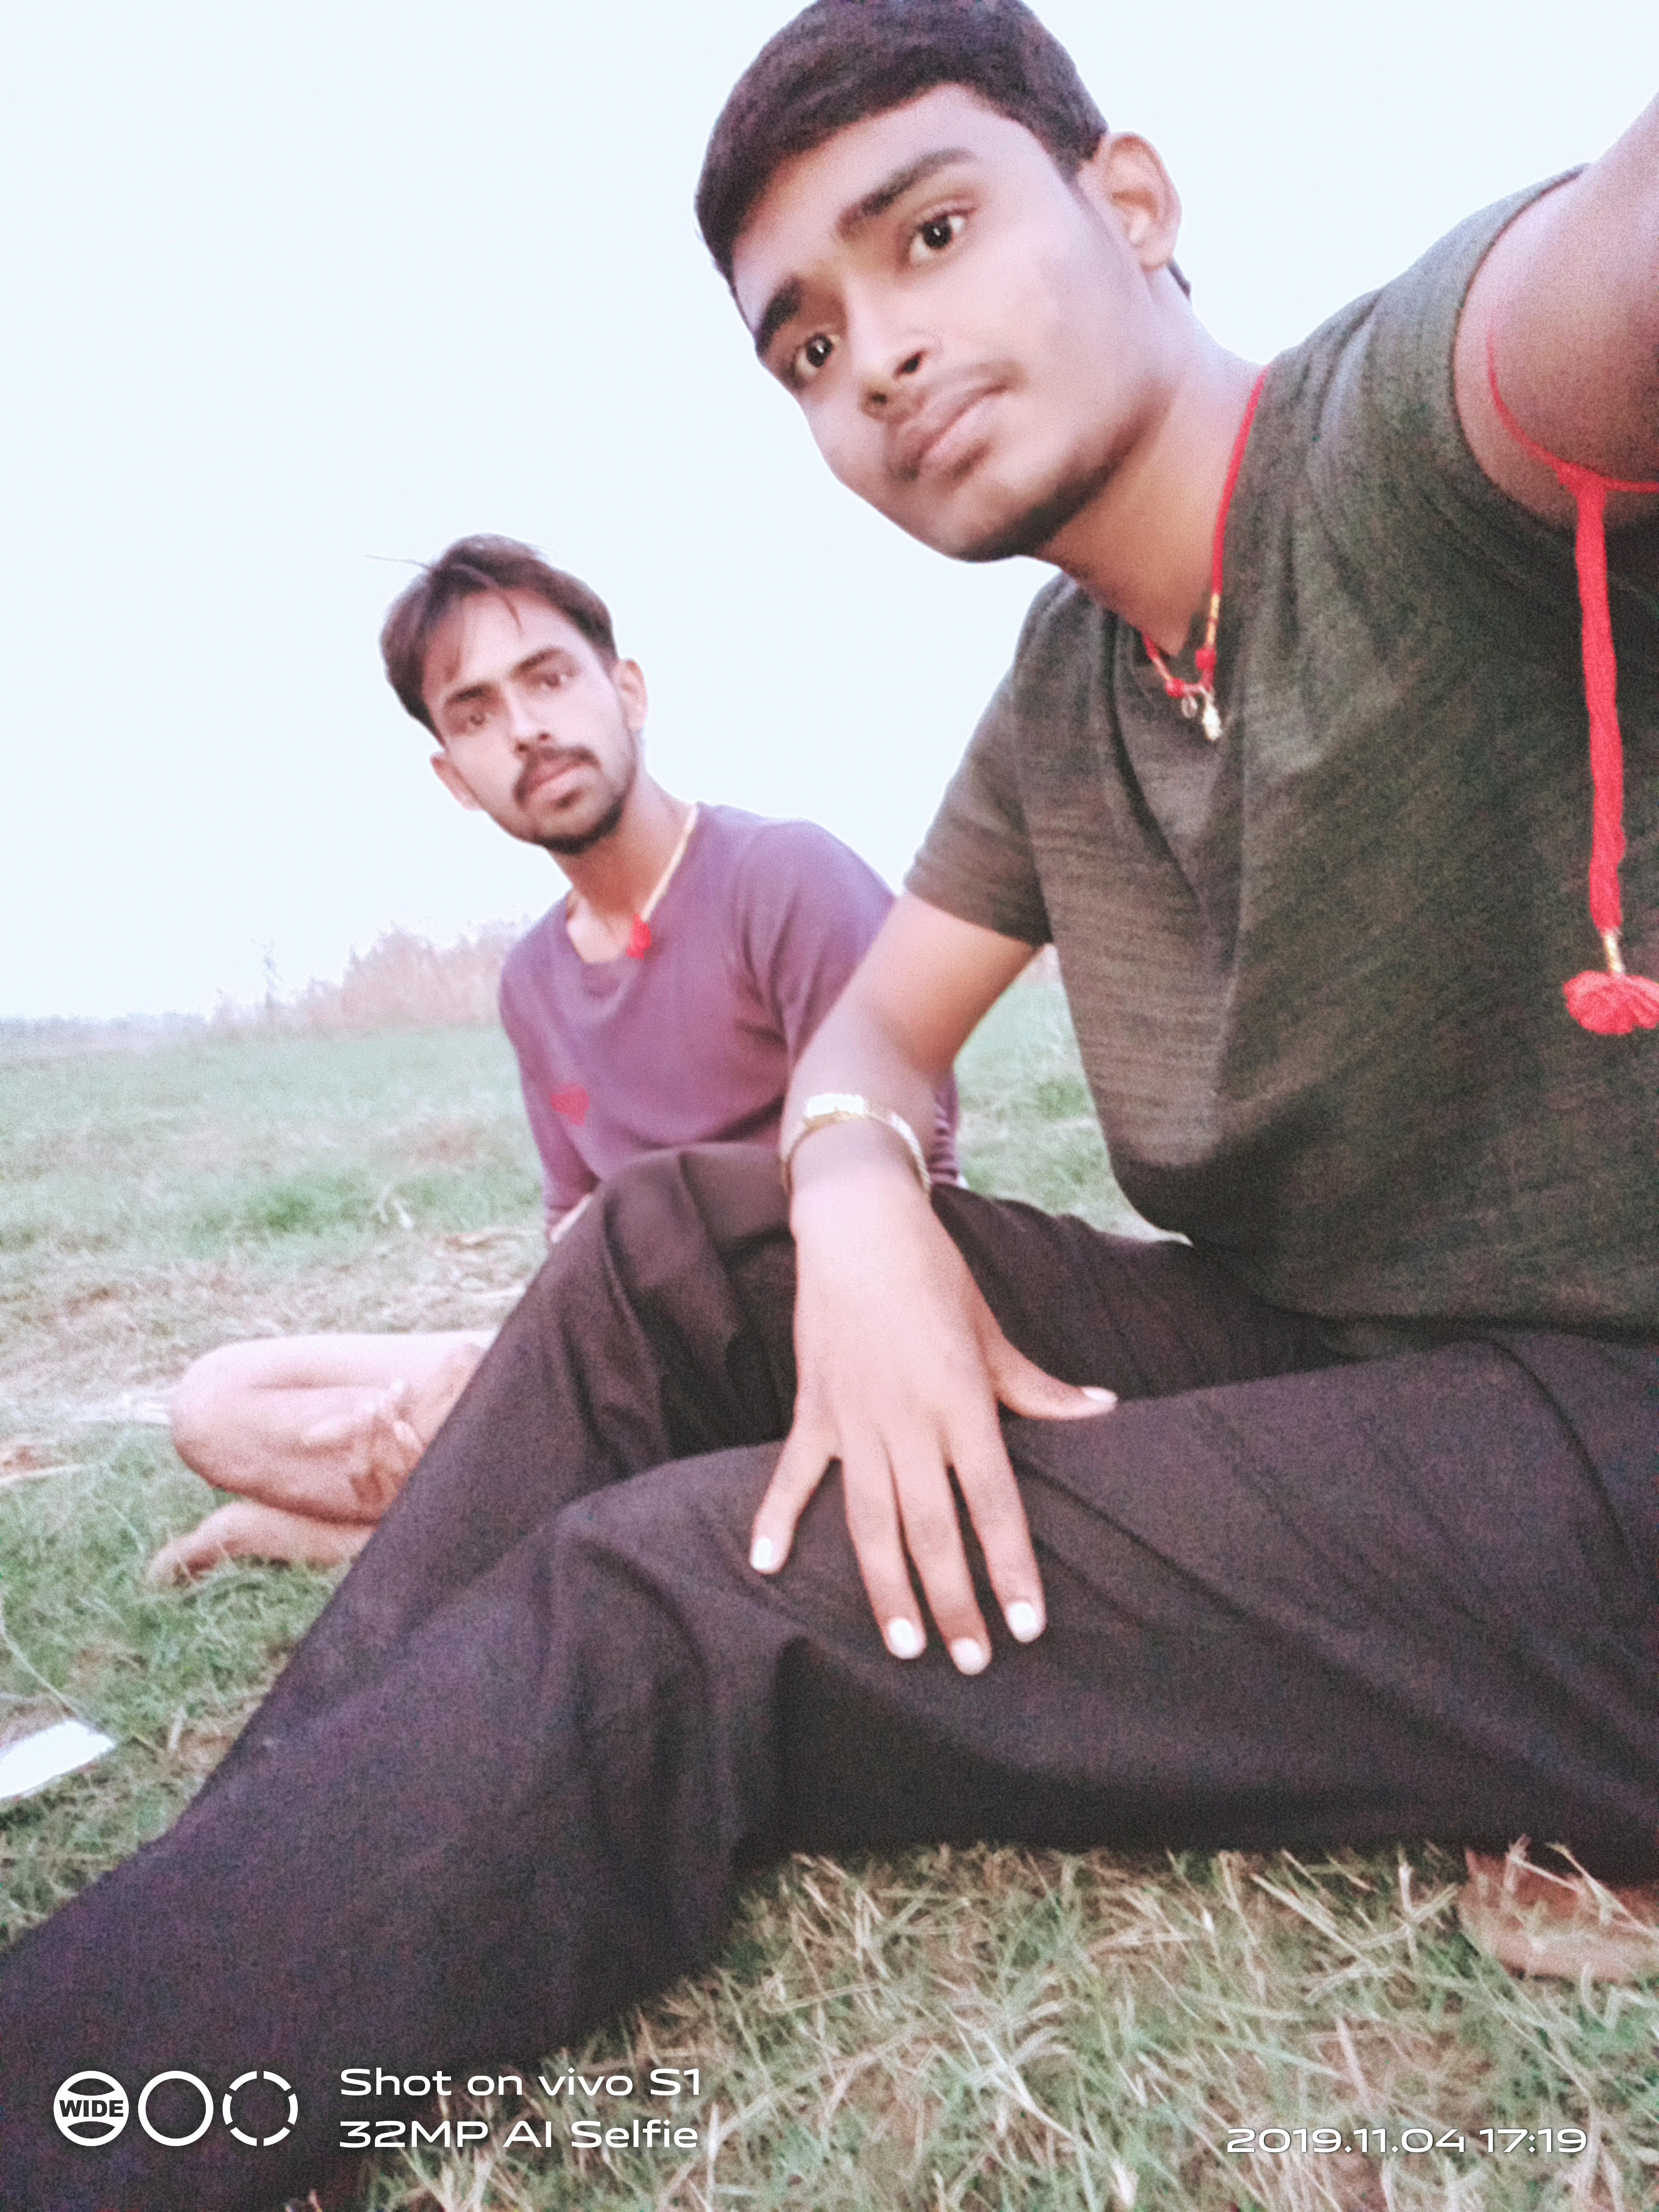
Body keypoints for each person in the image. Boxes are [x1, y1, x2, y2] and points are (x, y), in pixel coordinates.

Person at [1, 8, 1655, 2207]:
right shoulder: (1063, 698)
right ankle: (252, 1902)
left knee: (697, 1584)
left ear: (1132, 206)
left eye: (936, 231)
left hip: (1603, 1462)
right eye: (801, 343)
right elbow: (874, 1049)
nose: (870, 356)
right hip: (1353, 1379)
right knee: (667, 1250)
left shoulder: (1422, 430)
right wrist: (857, 1188)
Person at [151, 534, 958, 1580]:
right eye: (476, 713)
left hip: (816, 1341)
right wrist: (500, 1376)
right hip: (628, 1355)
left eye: (549, 679)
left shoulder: (783, 876)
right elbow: (572, 1233)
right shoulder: (532, 980)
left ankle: (371, 1532)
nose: (527, 730)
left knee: (615, 1433)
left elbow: (918, 1181)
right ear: (454, 777)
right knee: (218, 1403)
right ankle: (460, 1500)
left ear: (626, 690)